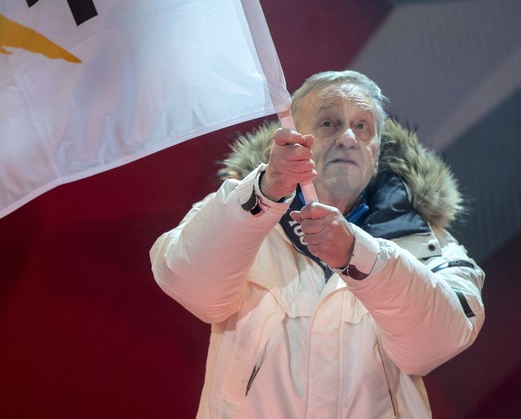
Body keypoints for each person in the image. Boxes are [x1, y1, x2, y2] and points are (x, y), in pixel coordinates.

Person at [150, 70, 484, 418]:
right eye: (328, 123)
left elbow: (434, 344)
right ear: (294, 138)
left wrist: (359, 255)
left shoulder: (430, 246)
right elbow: (184, 280)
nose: (348, 139)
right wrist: (264, 192)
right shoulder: (237, 213)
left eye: (362, 127)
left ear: (377, 150)